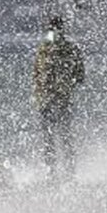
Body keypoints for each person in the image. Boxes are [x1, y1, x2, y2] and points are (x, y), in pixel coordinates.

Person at [32, 15, 85, 176]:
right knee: (63, 135)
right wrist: (67, 83)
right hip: (59, 98)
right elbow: (80, 76)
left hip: (49, 99)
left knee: (51, 137)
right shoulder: (68, 48)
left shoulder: (44, 49)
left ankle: (54, 171)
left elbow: (36, 74)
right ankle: (65, 170)